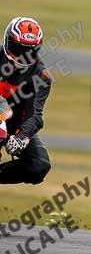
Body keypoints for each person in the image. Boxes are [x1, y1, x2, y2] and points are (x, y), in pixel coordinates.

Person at [0, 17, 52, 185]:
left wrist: (21, 136)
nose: (22, 57)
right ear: (8, 42)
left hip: (15, 123)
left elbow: (35, 115)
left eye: (29, 51)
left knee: (39, 166)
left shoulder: (41, 76)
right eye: (18, 48)